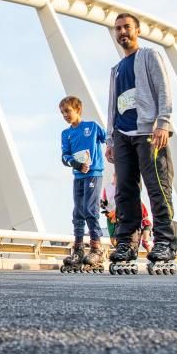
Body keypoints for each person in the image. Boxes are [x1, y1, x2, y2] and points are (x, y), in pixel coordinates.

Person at [104, 13, 177, 269]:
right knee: (125, 192)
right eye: (118, 29)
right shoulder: (116, 70)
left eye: (127, 27)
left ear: (138, 31)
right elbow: (113, 106)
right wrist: (110, 139)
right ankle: (127, 242)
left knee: (158, 188)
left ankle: (165, 241)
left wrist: (163, 122)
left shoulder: (149, 56)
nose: (122, 32)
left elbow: (163, 88)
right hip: (123, 135)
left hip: (149, 132)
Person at [59, 96, 107, 270]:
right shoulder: (66, 134)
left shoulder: (92, 127)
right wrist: (76, 164)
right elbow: (65, 156)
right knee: (77, 212)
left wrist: (113, 151)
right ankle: (78, 250)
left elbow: (108, 139)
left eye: (68, 111)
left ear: (78, 109)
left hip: (94, 174)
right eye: (62, 112)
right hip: (78, 176)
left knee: (90, 209)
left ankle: (96, 248)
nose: (65, 115)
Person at [100, 173, 118, 246]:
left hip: (120, 215)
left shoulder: (124, 186)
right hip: (109, 215)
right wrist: (102, 204)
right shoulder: (107, 187)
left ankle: (121, 253)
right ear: (113, 176)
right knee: (112, 238)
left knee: (118, 235)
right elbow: (103, 199)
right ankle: (117, 250)